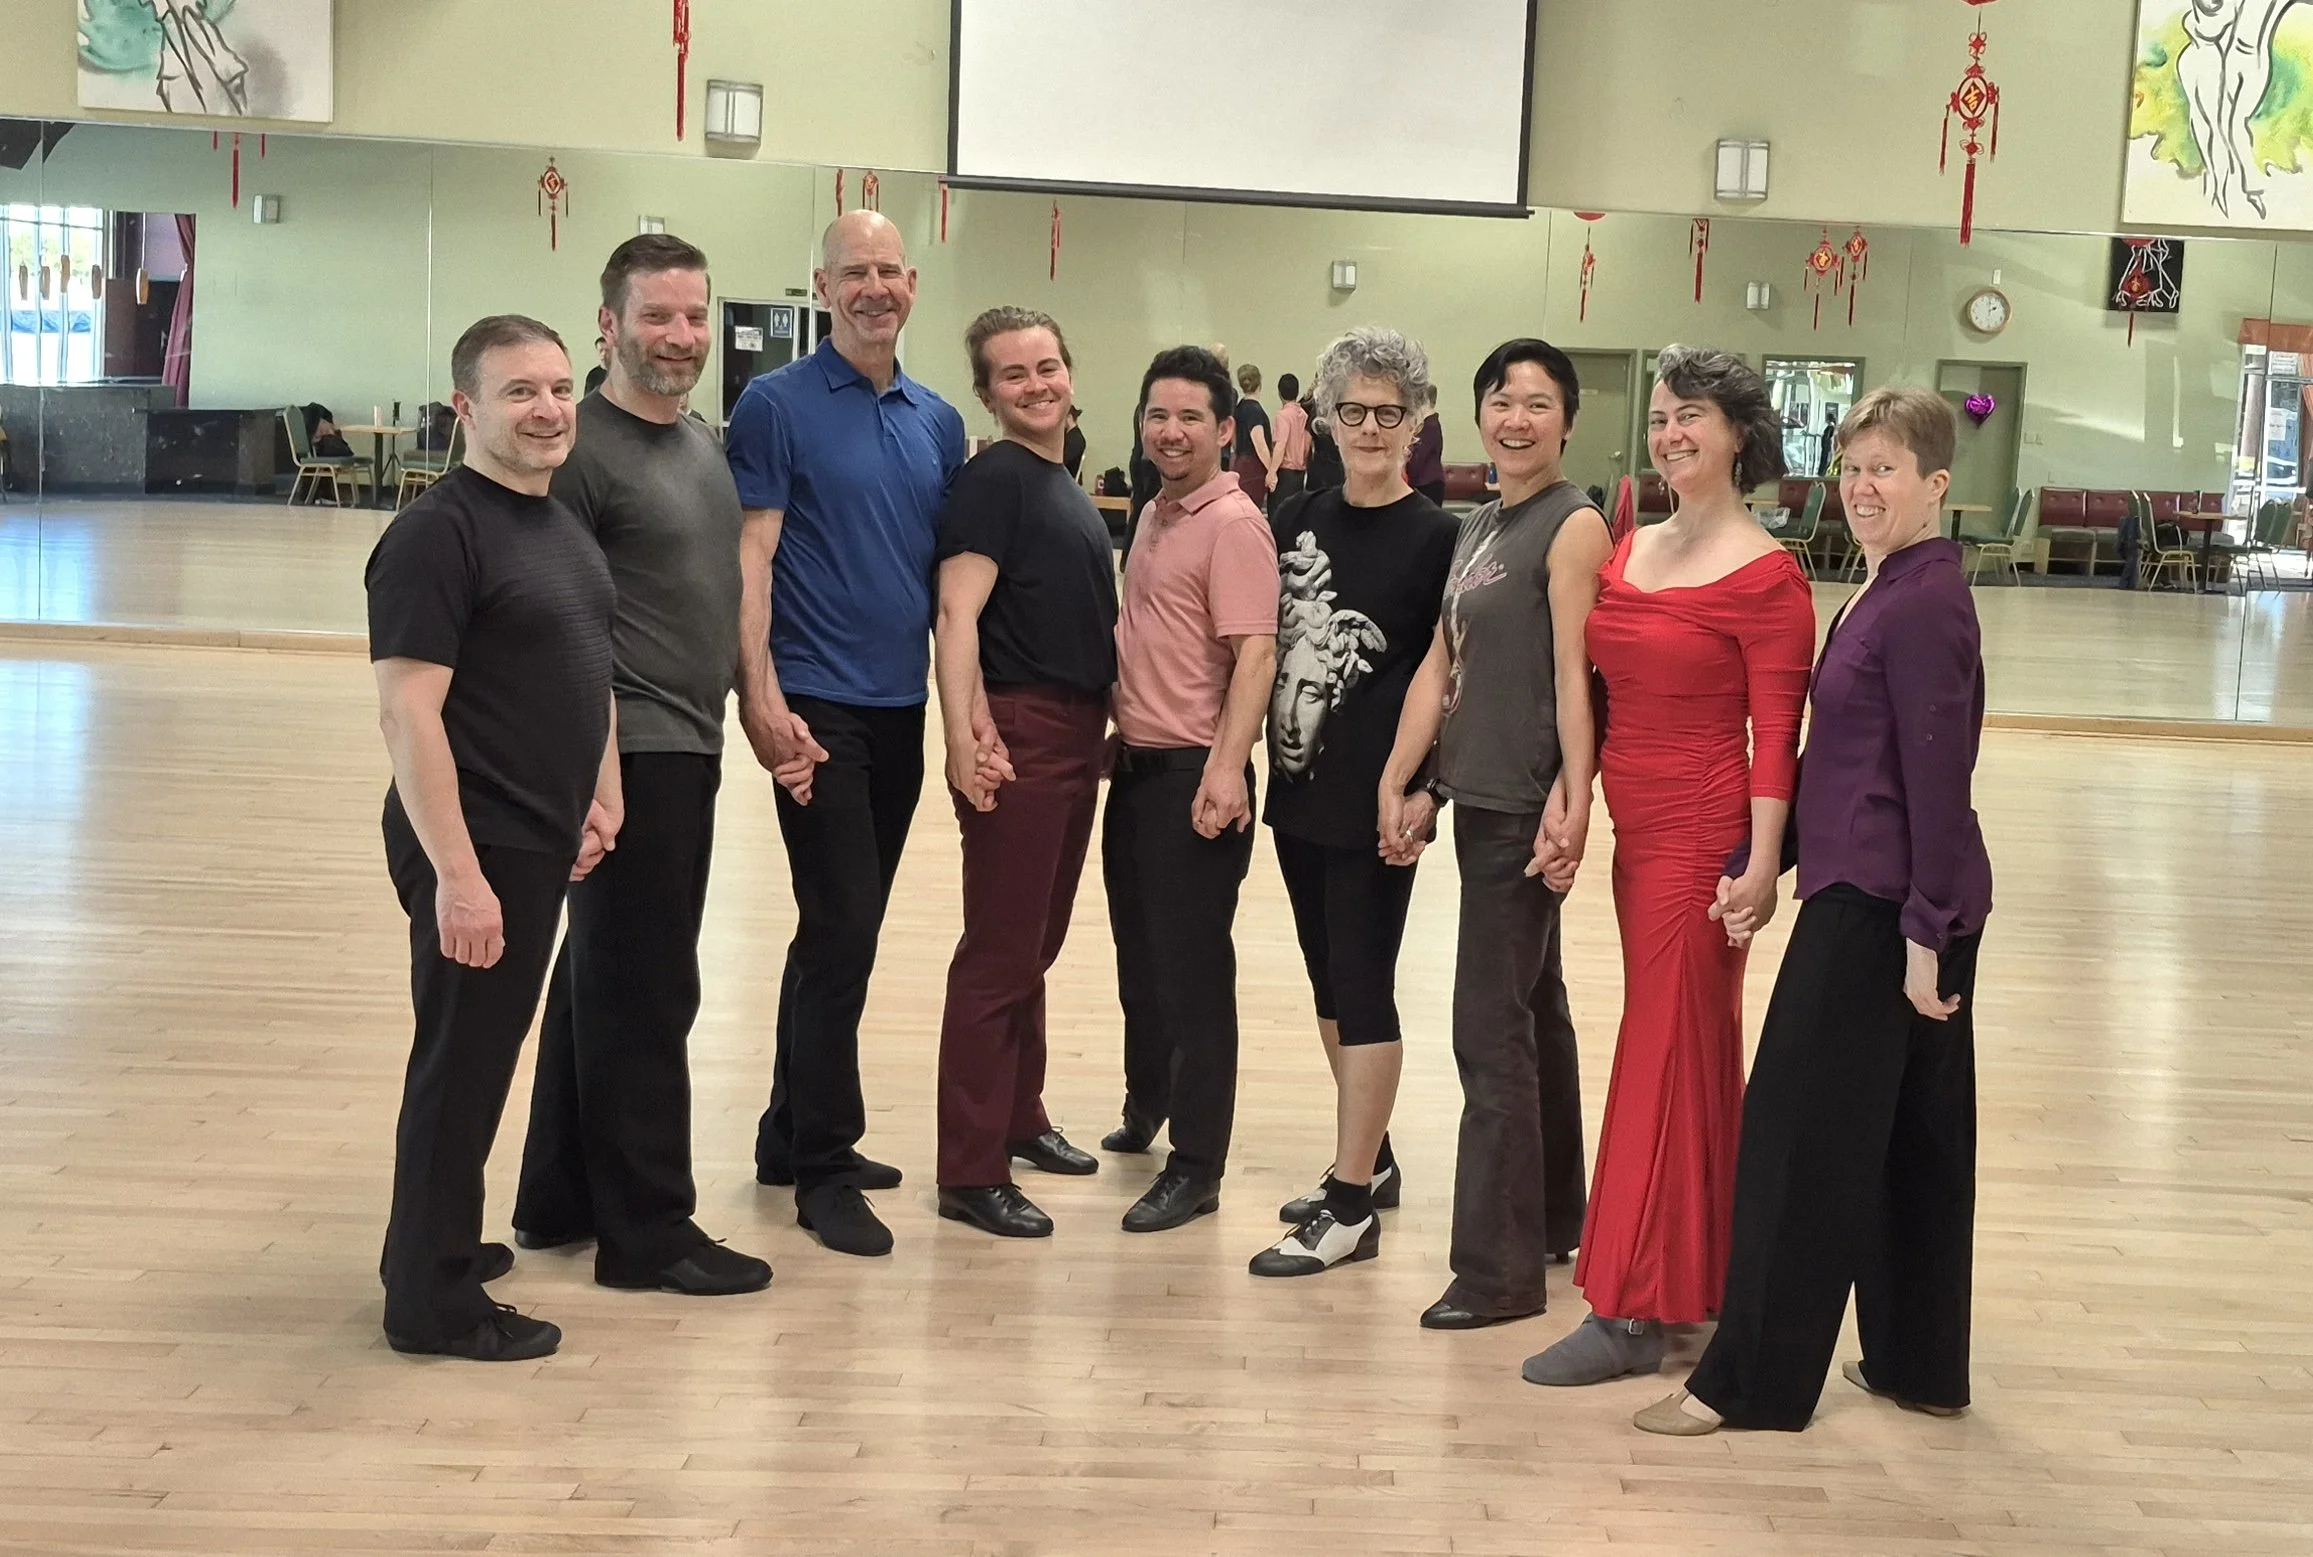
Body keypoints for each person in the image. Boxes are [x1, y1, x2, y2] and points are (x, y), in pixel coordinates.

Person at [1637, 388, 1993, 1437]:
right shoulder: (1886, 586)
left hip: (1886, 909)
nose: (1863, 488)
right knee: (1912, 1143)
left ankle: (1746, 1383)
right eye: (1852, 468)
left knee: (1794, 1139)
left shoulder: (1923, 603)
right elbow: (1843, 763)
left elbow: (1937, 777)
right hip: (1890, 892)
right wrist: (1764, 856)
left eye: (1886, 469)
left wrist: (1926, 931)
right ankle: (1919, 1362)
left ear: (1936, 483)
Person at [1520, 345, 1814, 1386]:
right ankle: (1708, 1270)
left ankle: (1634, 1306)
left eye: (1691, 415)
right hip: (1636, 833)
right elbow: (1598, 689)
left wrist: (1763, 866)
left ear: (1738, 434)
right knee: (1686, 1048)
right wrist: (1573, 797)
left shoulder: (1768, 574)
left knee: (1662, 1048)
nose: (1670, 433)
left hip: (1702, 839)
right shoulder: (1637, 543)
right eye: (1659, 417)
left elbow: (1776, 738)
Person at [507, 235, 771, 1297]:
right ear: (608, 324)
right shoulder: (581, 453)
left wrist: (757, 701)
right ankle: (649, 1233)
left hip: (688, 740)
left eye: (694, 315)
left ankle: (559, 1197)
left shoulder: (698, 441)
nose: (680, 335)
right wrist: (599, 773)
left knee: (600, 979)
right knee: (648, 993)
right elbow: (565, 626)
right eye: (656, 315)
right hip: (630, 754)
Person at [365, 314, 618, 1361]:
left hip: (537, 830)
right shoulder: (438, 534)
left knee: (480, 1056)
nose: (549, 409)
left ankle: (431, 1246)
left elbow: (587, 662)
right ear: (466, 407)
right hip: (475, 840)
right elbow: (407, 714)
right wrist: (459, 879)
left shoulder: (556, 519)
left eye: (558, 387)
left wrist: (599, 789)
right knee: (462, 1065)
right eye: (520, 391)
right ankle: (432, 1303)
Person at [726, 210, 967, 1258]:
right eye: (852, 272)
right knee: (839, 931)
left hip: (897, 708)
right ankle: (824, 1169)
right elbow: (752, 557)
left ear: (910, 284)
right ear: (823, 288)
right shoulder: (775, 405)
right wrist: (759, 696)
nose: (873, 288)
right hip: (816, 707)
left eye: (888, 271)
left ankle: (786, 1132)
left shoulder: (937, 420)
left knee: (841, 928)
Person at [1380, 339, 1612, 1330]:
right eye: (1502, 401)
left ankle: (1497, 1271)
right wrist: (1407, 776)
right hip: (1476, 793)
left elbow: (1573, 674)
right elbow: (1445, 663)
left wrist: (1573, 795)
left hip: (1522, 806)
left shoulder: (1573, 525)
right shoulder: (1479, 521)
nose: (1517, 419)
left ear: (1568, 421)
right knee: (1533, 1007)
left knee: (1488, 1030)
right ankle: (1555, 1216)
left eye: (1538, 403)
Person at [1248, 327, 1455, 1279]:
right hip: (1300, 792)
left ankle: (1347, 1208)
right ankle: (1371, 1161)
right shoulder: (1294, 515)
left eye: (1389, 412)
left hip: (1381, 804)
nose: (1370, 428)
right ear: (1325, 420)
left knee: (1364, 982)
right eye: (1353, 411)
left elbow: (1453, 678)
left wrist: (1426, 789)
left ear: (1415, 424)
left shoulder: (1441, 537)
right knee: (1328, 982)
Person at [929, 307, 1117, 1238]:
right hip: (1020, 729)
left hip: (1074, 731)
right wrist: (963, 735)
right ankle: (969, 1169)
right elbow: (956, 613)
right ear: (986, 393)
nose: (1035, 384)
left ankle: (1019, 1114)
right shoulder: (994, 479)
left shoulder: (1059, 480)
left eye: (1046, 366)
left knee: (1032, 945)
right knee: (999, 953)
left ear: (1069, 373)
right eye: (1013, 374)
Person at [1100, 345, 1279, 1233]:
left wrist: (1223, 766)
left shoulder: (1233, 523)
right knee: (1139, 960)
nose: (1170, 432)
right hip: (1134, 769)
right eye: (1157, 416)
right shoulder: (1156, 511)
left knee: (1194, 976)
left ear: (1224, 429)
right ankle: (1148, 1101)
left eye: (1189, 418)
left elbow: (1256, 654)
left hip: (1194, 778)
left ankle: (1197, 1164)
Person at [1232, 362, 1274, 510]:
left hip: (1240, 462)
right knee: (1252, 509)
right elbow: (1260, 444)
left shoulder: (1239, 407)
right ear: (1259, 383)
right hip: (1254, 467)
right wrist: (1271, 470)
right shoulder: (1254, 410)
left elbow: (1234, 440)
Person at [1269, 372, 1311, 512]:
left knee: (1279, 513)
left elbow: (1280, 445)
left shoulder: (1283, 415)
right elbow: (1307, 444)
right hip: (1300, 473)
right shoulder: (1303, 415)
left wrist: (1271, 472)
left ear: (1279, 393)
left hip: (1285, 473)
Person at [1406, 393, 1446, 508]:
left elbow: (1419, 457)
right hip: (1427, 481)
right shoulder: (1429, 424)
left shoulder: (1430, 425)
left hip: (1427, 483)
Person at [1063, 406, 1087, 482]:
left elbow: (1063, 461)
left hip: (1067, 480)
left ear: (1069, 417)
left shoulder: (1076, 439)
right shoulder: (1070, 436)